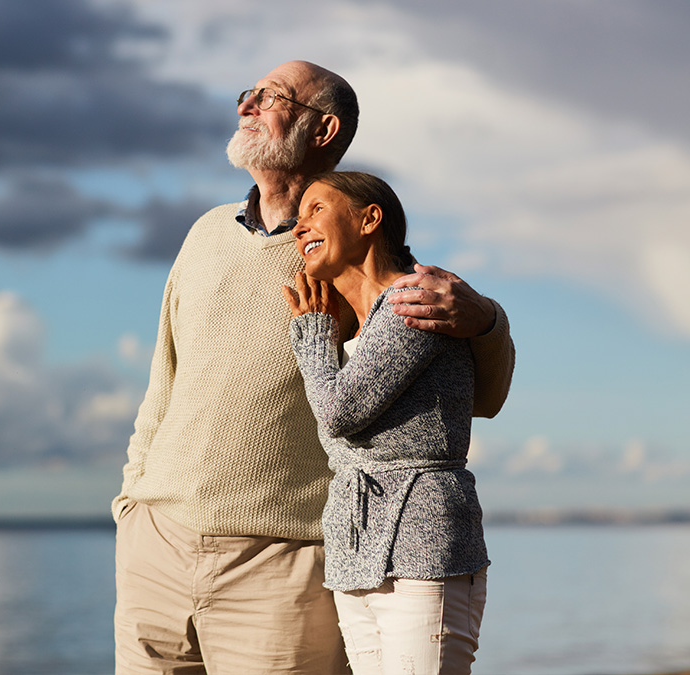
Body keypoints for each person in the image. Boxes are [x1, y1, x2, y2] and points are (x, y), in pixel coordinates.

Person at [112, 60, 514, 674]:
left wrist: (486, 317)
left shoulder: (349, 260)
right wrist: (132, 503)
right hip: (155, 549)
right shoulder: (205, 233)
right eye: (247, 93)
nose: (247, 105)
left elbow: (479, 394)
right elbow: (162, 381)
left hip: (286, 564)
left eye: (270, 97)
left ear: (323, 130)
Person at [284, 172, 488, 674]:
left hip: (421, 540)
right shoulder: (362, 326)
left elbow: (338, 414)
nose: (298, 227)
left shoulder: (412, 301)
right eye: (297, 216)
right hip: (356, 548)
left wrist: (312, 337)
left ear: (369, 219)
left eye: (315, 209)